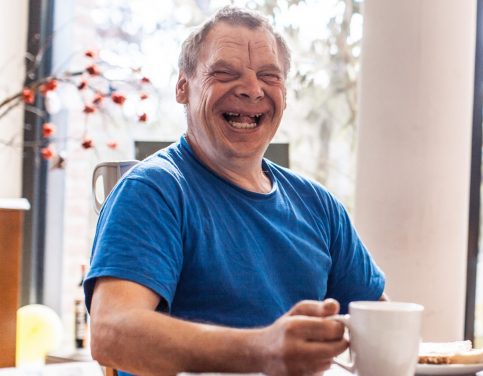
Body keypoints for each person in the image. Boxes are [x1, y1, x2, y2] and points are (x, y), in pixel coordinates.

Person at [85, 6, 385, 375]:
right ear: (183, 87)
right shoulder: (153, 191)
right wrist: (261, 349)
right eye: (224, 73)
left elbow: (382, 322)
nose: (251, 89)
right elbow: (111, 333)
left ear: (285, 95)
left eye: (268, 76)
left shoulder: (319, 206)